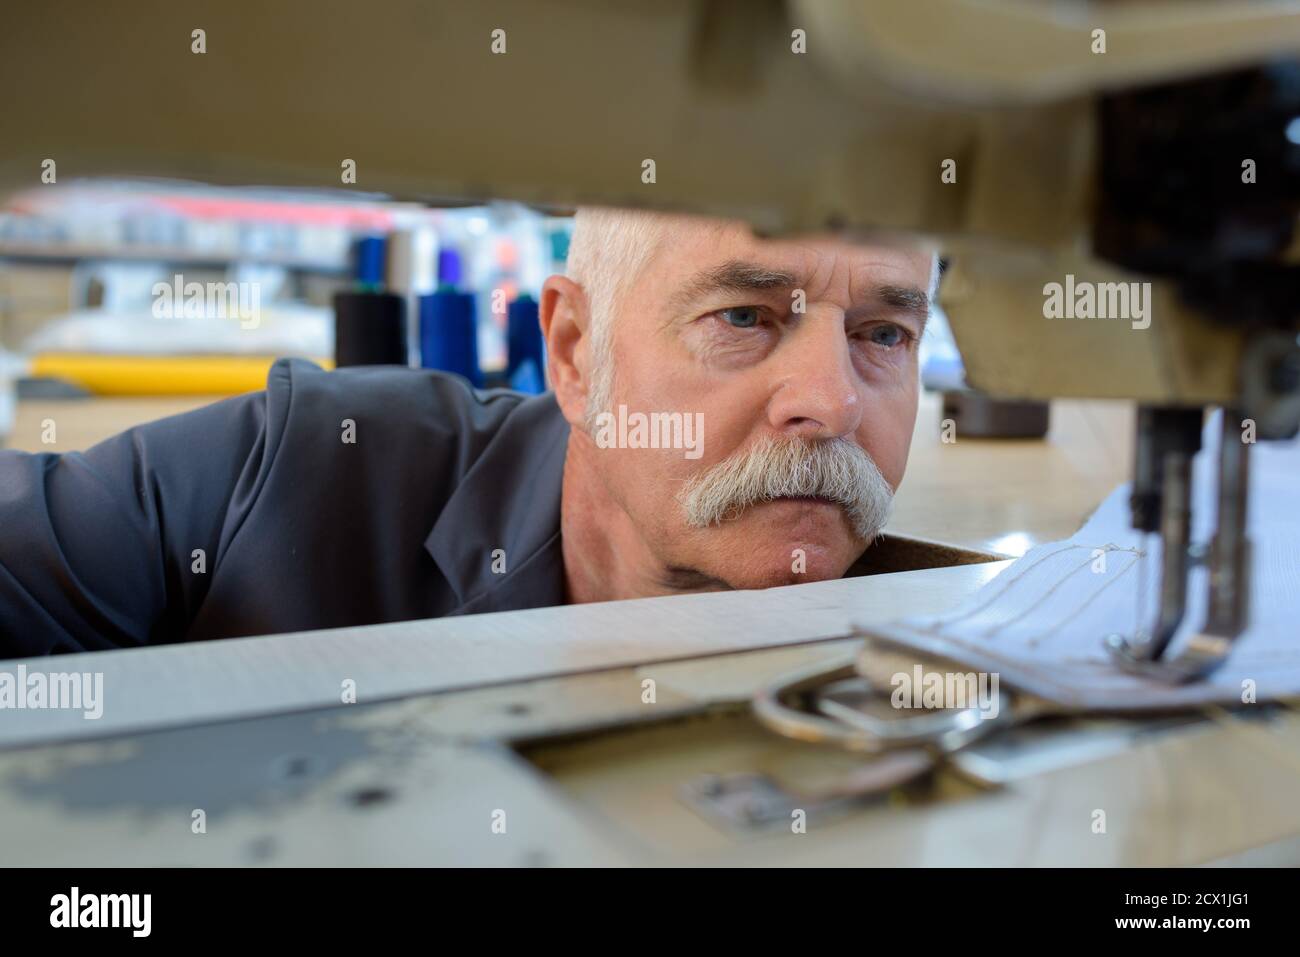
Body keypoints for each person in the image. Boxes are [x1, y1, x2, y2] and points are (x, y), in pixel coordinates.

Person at [0, 209, 936, 657]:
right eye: (742, 317)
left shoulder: (944, 642)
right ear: (575, 353)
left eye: (883, 334)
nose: (833, 401)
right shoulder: (300, 470)